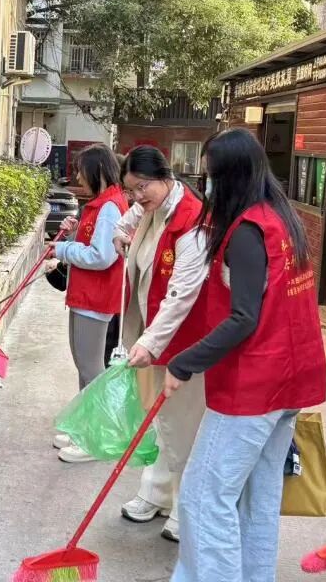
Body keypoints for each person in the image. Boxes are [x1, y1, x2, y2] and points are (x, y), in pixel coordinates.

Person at [164, 128, 326, 582]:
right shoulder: (282, 218)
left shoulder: (247, 232)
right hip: (290, 379)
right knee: (259, 496)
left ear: (230, 176)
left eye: (210, 175)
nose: (206, 184)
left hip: (254, 385)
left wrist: (184, 362)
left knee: (204, 496)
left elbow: (243, 318)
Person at [111, 145, 211, 543]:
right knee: (159, 420)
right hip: (152, 334)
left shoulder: (192, 220)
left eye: (142, 187)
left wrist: (151, 342)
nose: (137, 197)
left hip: (184, 340)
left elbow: (182, 294)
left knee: (184, 426)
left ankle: (188, 509)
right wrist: (120, 232)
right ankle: (156, 494)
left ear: (165, 178)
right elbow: (131, 216)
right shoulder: (151, 207)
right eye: (130, 190)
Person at [49, 143, 129, 463]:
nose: (78, 178)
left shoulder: (110, 207)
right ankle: (84, 429)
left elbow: (102, 256)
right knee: (84, 366)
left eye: (81, 171)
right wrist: (71, 234)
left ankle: (97, 439)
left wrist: (63, 251)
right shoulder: (99, 205)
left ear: (96, 171)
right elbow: (90, 243)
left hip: (96, 298)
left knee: (92, 369)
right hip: (85, 296)